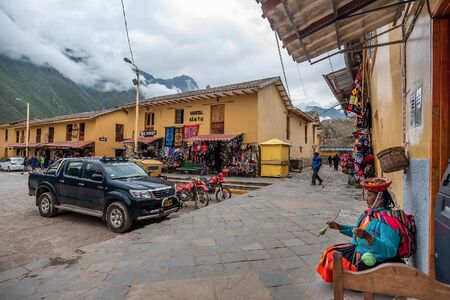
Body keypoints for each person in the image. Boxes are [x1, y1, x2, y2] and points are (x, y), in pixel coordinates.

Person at [317, 180, 402, 282]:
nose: (366, 199)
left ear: (380, 198)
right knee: (329, 251)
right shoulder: (369, 215)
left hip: (373, 258)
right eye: (366, 195)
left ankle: (354, 282)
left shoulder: (388, 221)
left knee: (333, 259)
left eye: (369, 195)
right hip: (359, 248)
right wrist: (340, 227)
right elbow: (358, 232)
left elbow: (391, 250)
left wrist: (369, 237)